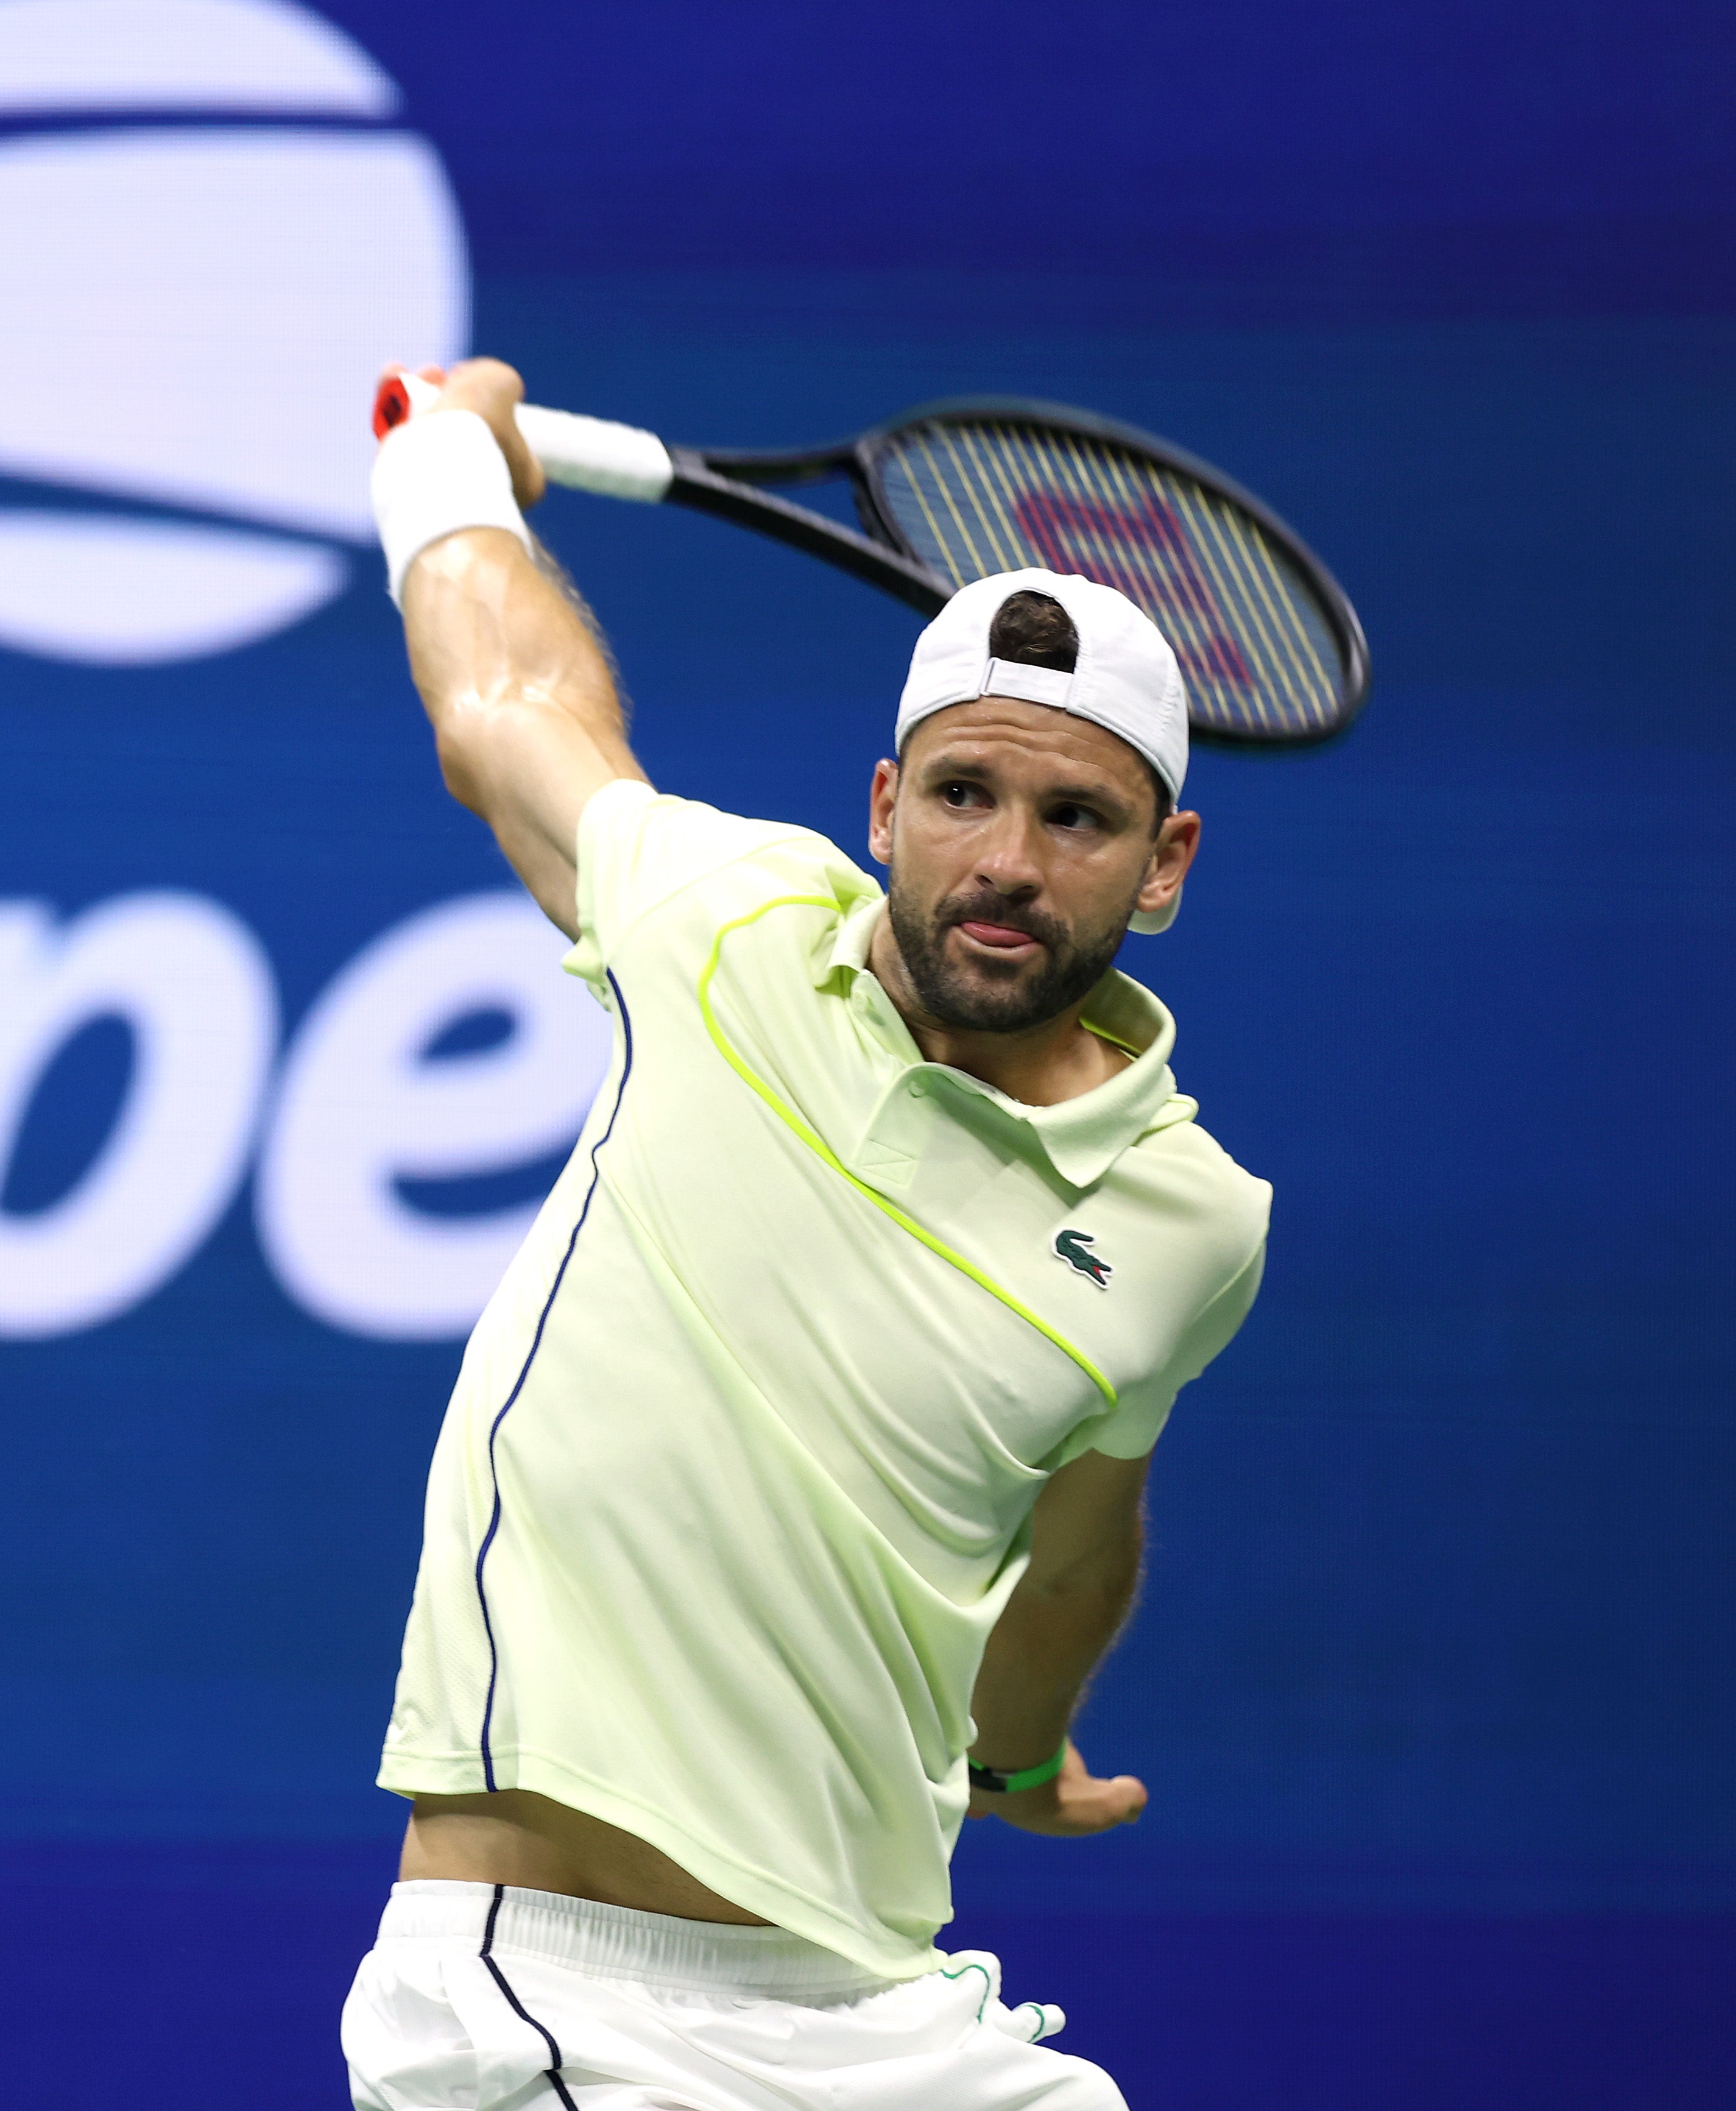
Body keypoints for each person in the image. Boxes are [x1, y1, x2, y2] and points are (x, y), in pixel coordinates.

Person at [342, 362, 1270, 2111]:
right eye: (963, 795)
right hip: (551, 1997)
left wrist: (1017, 1755)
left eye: (1075, 818)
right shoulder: (724, 931)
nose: (1005, 859)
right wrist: (444, 462)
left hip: (889, 2013)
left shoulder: (1191, 1219)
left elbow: (1072, 1543)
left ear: (1166, 862)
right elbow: (507, 695)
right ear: (881, 807)